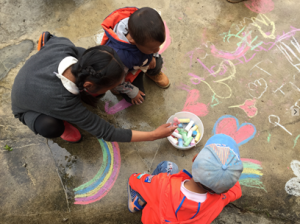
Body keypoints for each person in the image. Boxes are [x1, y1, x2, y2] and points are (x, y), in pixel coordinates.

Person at [11, 33, 176, 143]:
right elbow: (107, 132)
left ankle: (44, 51)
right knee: (50, 126)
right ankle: (60, 123)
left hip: (39, 70)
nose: (110, 91)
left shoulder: (63, 44)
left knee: (83, 61)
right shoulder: (62, 101)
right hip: (27, 106)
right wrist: (153, 135)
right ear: (88, 85)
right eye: (110, 88)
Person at [127, 134, 243, 223]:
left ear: (194, 158)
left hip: (153, 220)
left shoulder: (162, 184)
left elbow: (134, 180)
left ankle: (137, 202)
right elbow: (236, 191)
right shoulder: (222, 198)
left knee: (169, 167)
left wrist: (134, 177)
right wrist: (226, 173)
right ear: (226, 189)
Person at [101, 7, 170, 105]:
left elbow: (154, 46)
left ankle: (152, 73)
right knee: (137, 98)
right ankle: (117, 90)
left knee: (157, 63)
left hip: (141, 61)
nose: (158, 50)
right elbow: (116, 81)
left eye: (158, 46)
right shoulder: (119, 58)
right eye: (152, 48)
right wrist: (132, 91)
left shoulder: (142, 26)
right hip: (126, 71)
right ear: (133, 42)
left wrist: (152, 54)